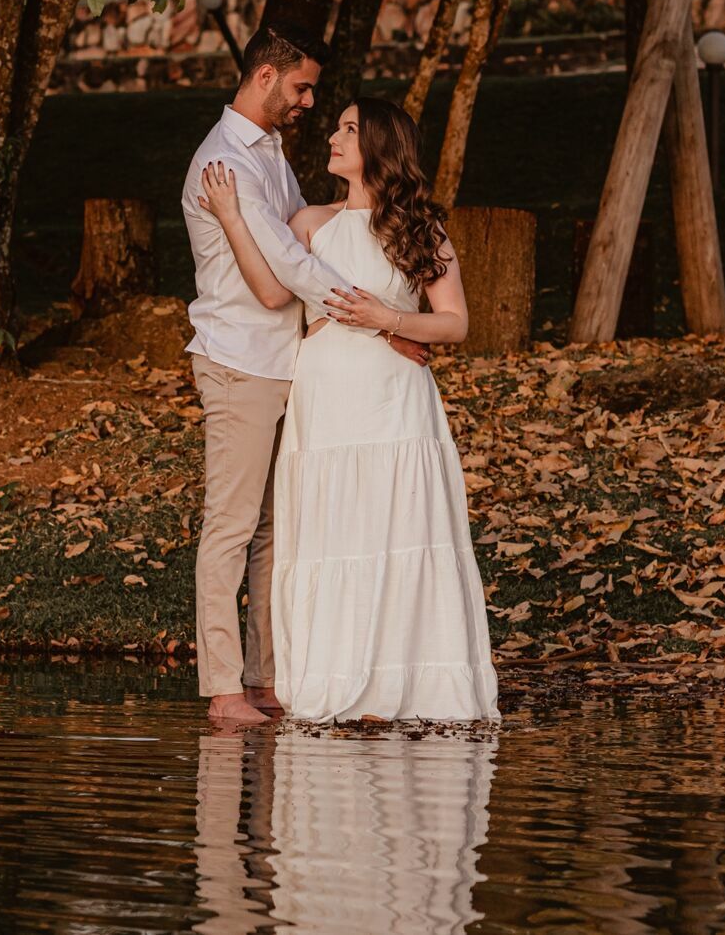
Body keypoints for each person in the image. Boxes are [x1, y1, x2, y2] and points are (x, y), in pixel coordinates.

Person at [195, 95, 500, 723]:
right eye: (337, 125)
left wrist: (390, 320)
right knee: (327, 531)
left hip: (393, 399)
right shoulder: (310, 222)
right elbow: (273, 290)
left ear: (379, 148)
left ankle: (407, 677)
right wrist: (230, 216)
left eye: (349, 129)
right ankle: (329, 676)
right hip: (326, 392)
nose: (333, 135)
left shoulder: (420, 229)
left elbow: (456, 323)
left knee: (396, 528)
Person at [180, 28, 427, 726]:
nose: (309, 101)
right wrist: (378, 319)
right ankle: (224, 688)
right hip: (239, 362)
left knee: (271, 533)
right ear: (264, 77)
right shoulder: (223, 161)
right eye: (301, 87)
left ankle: (264, 678)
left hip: (286, 362)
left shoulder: (271, 155)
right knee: (230, 527)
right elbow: (285, 268)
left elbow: (290, 255)